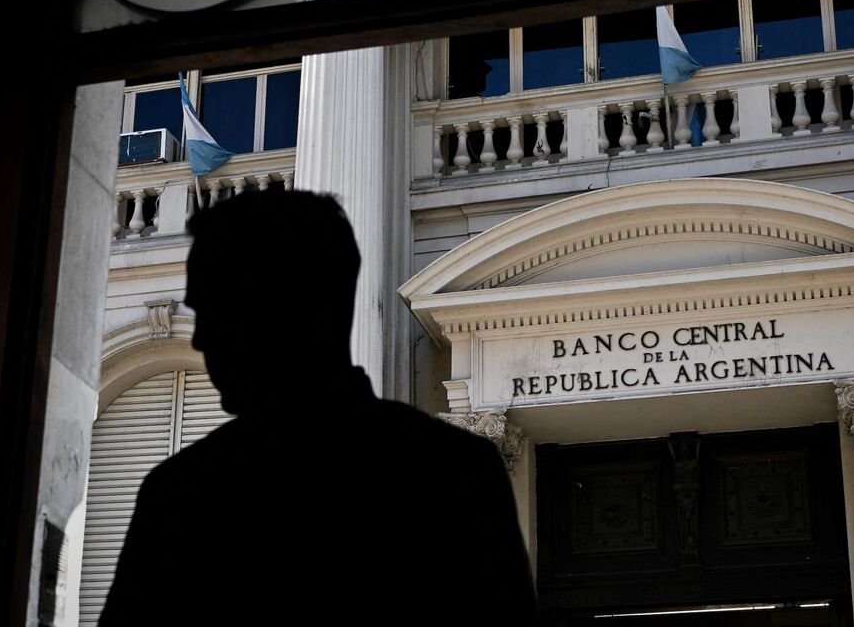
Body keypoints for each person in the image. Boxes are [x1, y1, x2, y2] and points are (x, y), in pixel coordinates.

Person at [99, 189, 538, 625]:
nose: (198, 338)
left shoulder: (183, 495)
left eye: (216, 312)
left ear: (284, 312)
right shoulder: (455, 470)